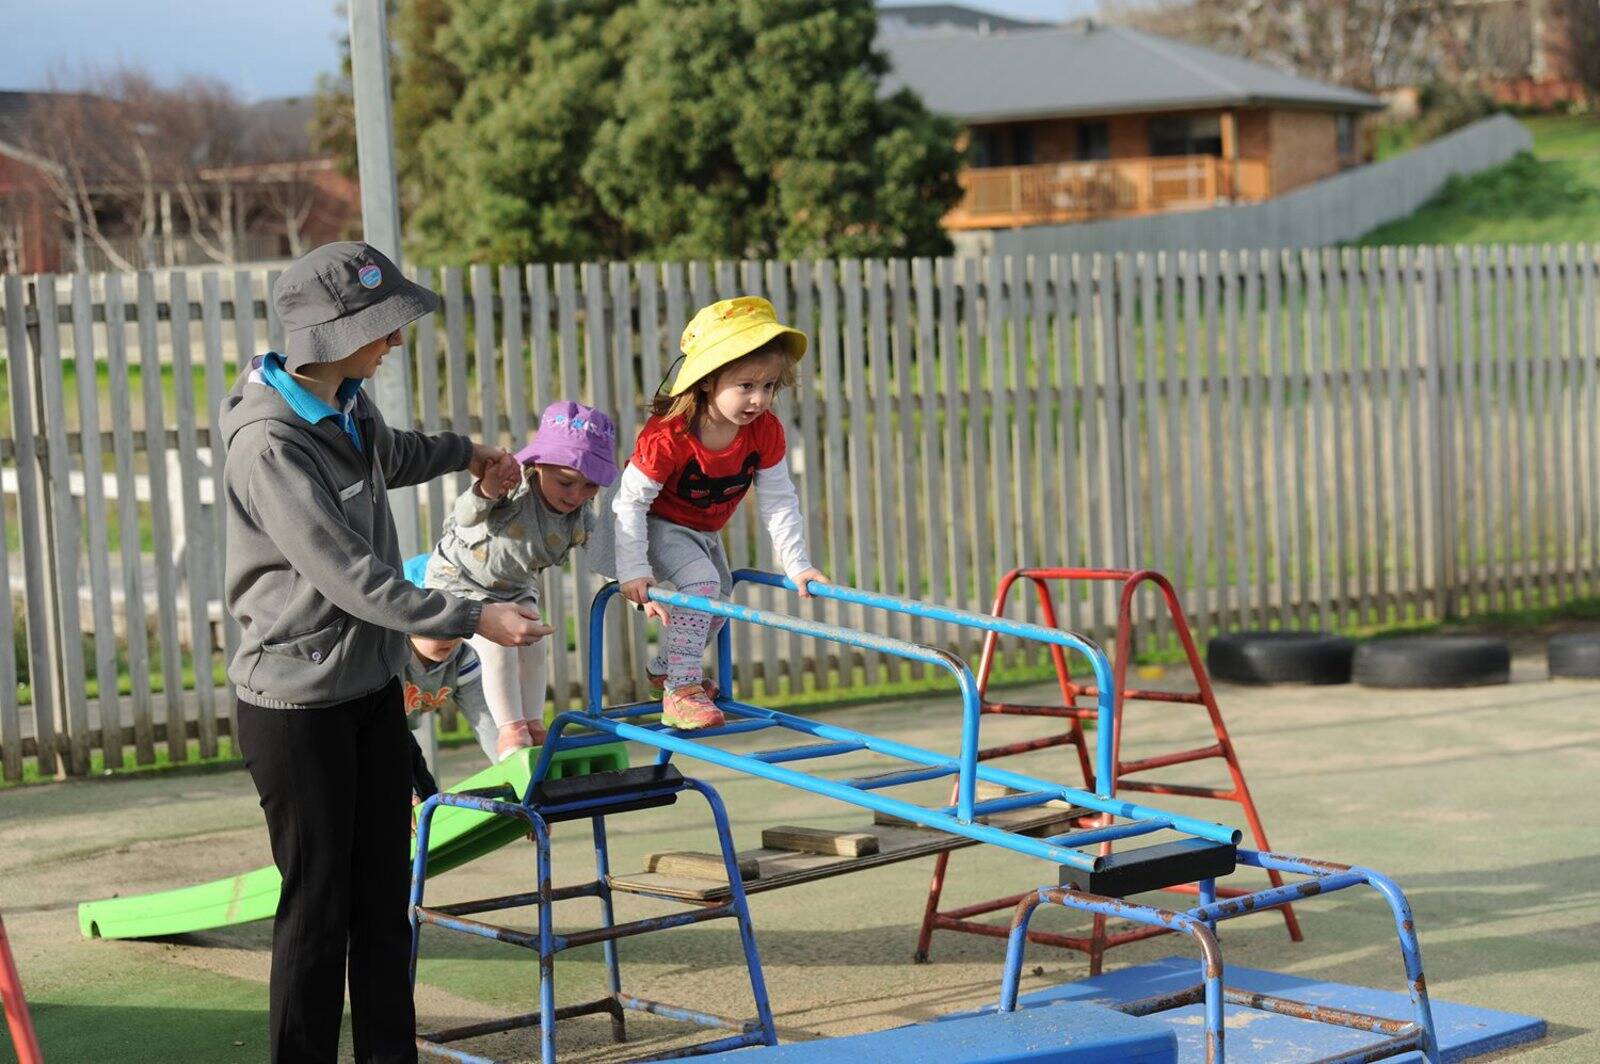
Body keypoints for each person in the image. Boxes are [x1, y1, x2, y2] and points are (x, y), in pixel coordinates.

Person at [219, 241, 549, 1064]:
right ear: (328, 335)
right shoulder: (270, 444)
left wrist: (464, 451)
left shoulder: (346, 402)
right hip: (297, 710)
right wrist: (474, 617)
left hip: (368, 693)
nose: (395, 339)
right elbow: (351, 577)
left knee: (383, 902)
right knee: (318, 908)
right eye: (382, 326)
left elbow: (388, 453)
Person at [593, 296, 826, 730]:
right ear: (706, 381)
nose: (759, 399)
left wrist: (797, 564)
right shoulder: (670, 436)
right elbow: (631, 502)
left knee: (717, 607)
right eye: (746, 386)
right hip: (650, 524)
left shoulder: (765, 431)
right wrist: (633, 569)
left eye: (769, 386)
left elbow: (778, 497)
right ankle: (680, 690)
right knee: (700, 585)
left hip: (700, 530)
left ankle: (664, 667)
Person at [422, 401, 619, 758]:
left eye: (590, 487)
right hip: (460, 581)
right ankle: (510, 731)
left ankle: (532, 723)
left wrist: (635, 588)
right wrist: (485, 490)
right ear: (538, 464)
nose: (576, 496)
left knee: (533, 642)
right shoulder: (512, 488)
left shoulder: (580, 515)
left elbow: (606, 557)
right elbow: (464, 518)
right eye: (566, 482)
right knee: (499, 647)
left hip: (514, 588)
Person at [400, 555, 500, 765]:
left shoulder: (462, 660)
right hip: (362, 737)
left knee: (428, 791)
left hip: (399, 736)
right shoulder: (391, 659)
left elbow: (487, 723)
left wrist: (510, 763)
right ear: (404, 619)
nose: (450, 633)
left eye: (458, 619)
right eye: (437, 622)